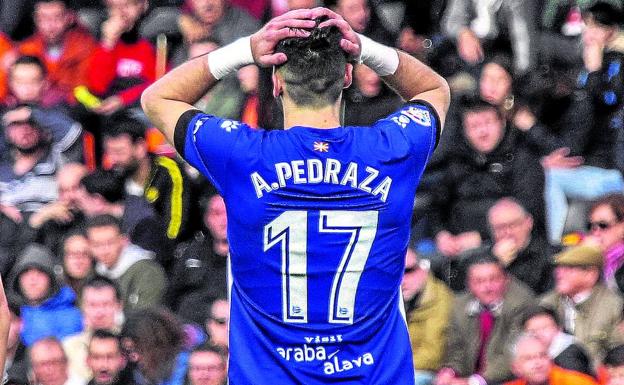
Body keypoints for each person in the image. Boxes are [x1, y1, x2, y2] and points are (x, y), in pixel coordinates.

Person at [141, 6, 450, 385]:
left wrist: (245, 51)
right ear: (348, 76)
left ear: (277, 84)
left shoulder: (242, 155)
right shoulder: (390, 149)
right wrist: (365, 47)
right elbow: (435, 89)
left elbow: (158, 99)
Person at [435, 254, 534, 385]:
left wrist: (474, 381)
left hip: (507, 379)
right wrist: (450, 371)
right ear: (469, 284)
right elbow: (456, 349)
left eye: (493, 279)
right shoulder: (459, 305)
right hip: (470, 377)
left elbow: (512, 354)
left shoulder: (521, 304)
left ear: (506, 279)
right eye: (479, 281)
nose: (487, 287)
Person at [540, 245, 624, 366]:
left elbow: (617, 356)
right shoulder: (545, 304)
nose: (559, 273)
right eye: (559, 267)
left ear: (591, 274)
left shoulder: (614, 307)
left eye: (568, 268)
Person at [17, 0, 96, 101]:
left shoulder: (85, 47)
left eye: (57, 17)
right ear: (35, 19)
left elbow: (85, 88)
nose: (50, 26)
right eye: (43, 18)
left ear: (69, 17)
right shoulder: (26, 50)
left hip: (72, 109)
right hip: (33, 108)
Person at [85, 214, 166, 312]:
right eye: (97, 244)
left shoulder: (148, 272)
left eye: (110, 243)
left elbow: (145, 318)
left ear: (123, 241)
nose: (104, 251)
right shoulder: (94, 271)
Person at [8, 244, 82, 346]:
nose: (32, 279)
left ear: (52, 280)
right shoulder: (10, 312)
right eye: (26, 272)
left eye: (40, 272)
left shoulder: (71, 317)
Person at [402, 248, 453, 385]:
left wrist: (393, 366)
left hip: (427, 371)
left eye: (408, 271)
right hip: (400, 365)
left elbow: (433, 355)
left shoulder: (440, 299)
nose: (402, 279)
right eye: (396, 272)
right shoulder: (392, 298)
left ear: (423, 268)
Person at [63, 277, 124, 382]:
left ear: (119, 305)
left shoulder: (128, 343)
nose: (99, 313)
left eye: (106, 304)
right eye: (92, 305)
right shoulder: (68, 348)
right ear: (82, 307)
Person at [522, 305, 593, 377]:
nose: (538, 334)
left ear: (559, 328)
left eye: (544, 328)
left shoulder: (569, 355)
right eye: (532, 331)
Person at [504, 334, 598, 385]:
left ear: (550, 359)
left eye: (542, 355)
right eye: (529, 359)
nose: (538, 363)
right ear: (516, 368)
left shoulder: (578, 382)